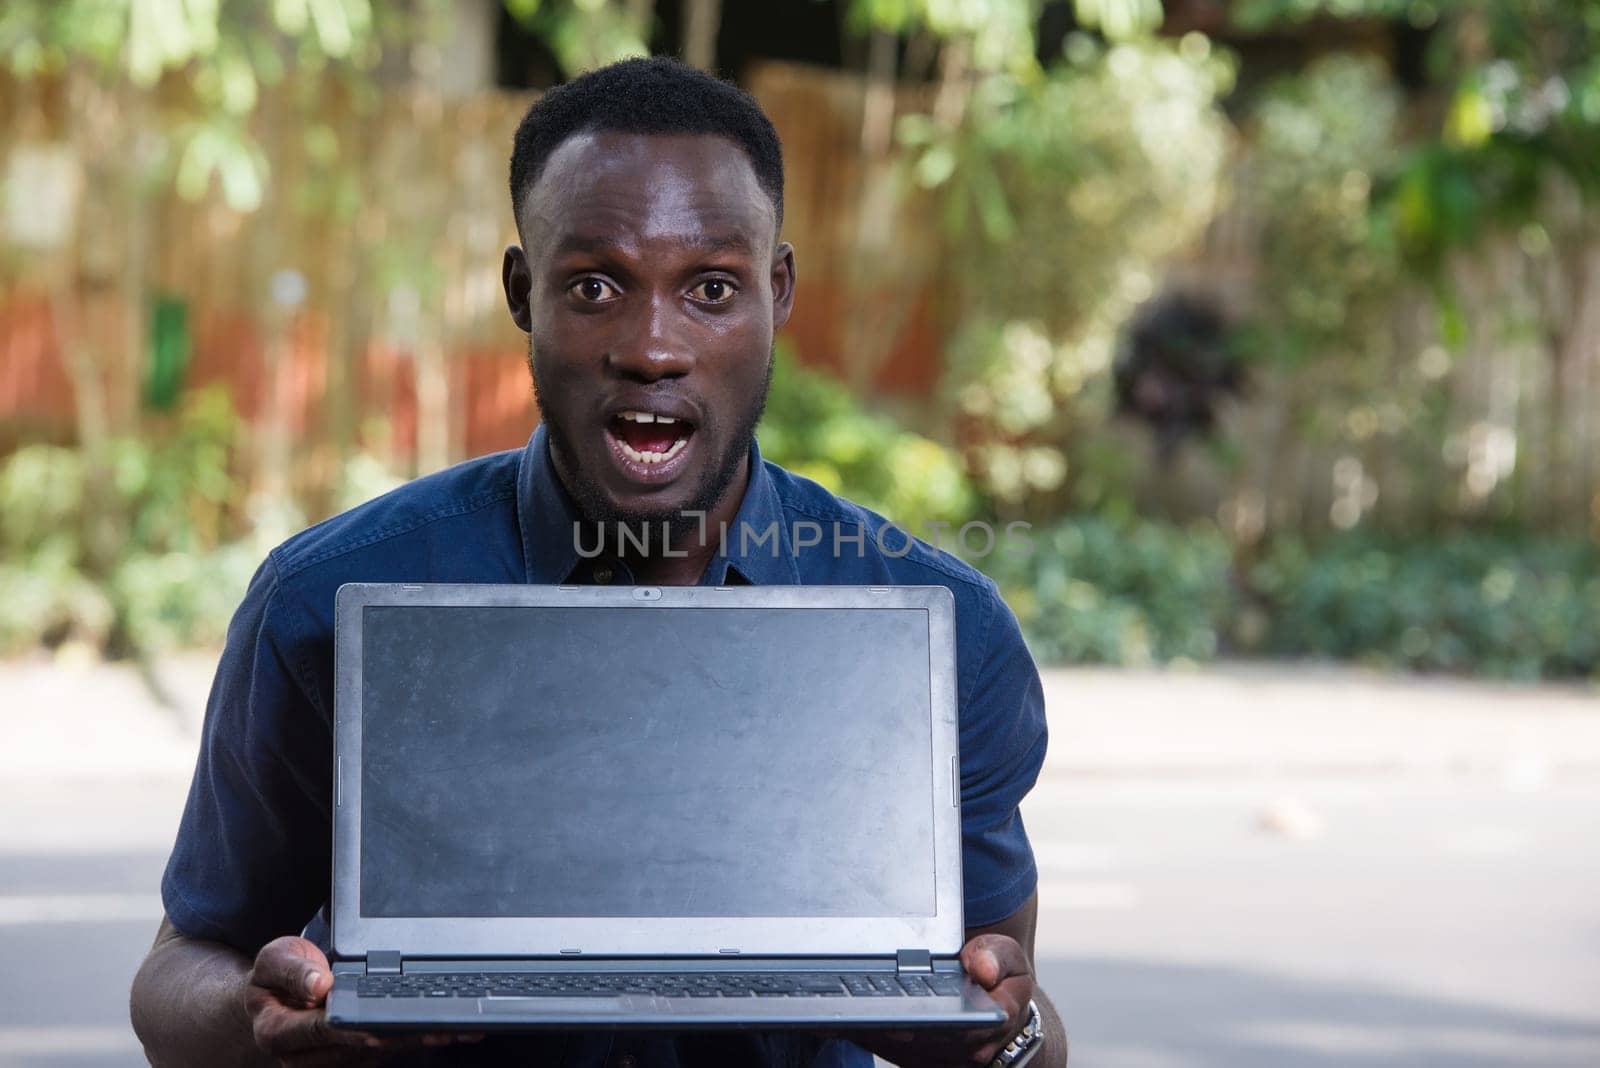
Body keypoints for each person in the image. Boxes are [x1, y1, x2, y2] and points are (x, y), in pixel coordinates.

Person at [130, 56, 1064, 1068]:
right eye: (595, 286)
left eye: (710, 287)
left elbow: (1022, 1022)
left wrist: (993, 1036)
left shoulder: (940, 626)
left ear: (777, 293)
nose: (652, 346)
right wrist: (261, 1026)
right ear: (522, 295)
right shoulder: (318, 602)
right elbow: (181, 971)